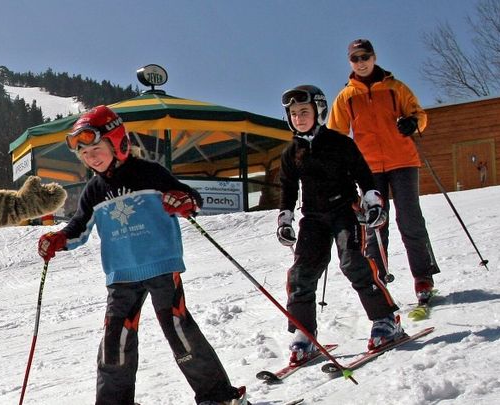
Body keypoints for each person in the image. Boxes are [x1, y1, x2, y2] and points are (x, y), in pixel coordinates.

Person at [37, 105, 246, 405]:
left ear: (118, 143)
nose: (91, 156)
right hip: (121, 275)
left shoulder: (149, 172)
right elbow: (78, 228)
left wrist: (184, 201)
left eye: (96, 148)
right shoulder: (93, 191)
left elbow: (190, 197)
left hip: (160, 265)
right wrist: (58, 239)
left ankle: (217, 396)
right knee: (114, 340)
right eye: (84, 153)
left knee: (178, 330)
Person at [277, 85, 404, 363]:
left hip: (344, 211)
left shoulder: (339, 143)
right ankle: (304, 333)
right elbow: (288, 188)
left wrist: (372, 200)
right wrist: (285, 217)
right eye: (294, 113)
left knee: (353, 263)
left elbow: (363, 174)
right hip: (313, 218)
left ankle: (386, 319)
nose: (299, 117)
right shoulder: (291, 152)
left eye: (304, 111)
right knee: (301, 273)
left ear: (319, 111)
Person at [327, 38, 438, 303]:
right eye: (355, 59)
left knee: (410, 220)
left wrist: (413, 123)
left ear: (374, 57)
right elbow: (335, 135)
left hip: (403, 162)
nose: (361, 62)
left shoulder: (395, 88)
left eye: (365, 57)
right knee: (376, 225)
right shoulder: (346, 97)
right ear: (350, 62)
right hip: (368, 169)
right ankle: (376, 279)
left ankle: (423, 278)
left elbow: (419, 115)